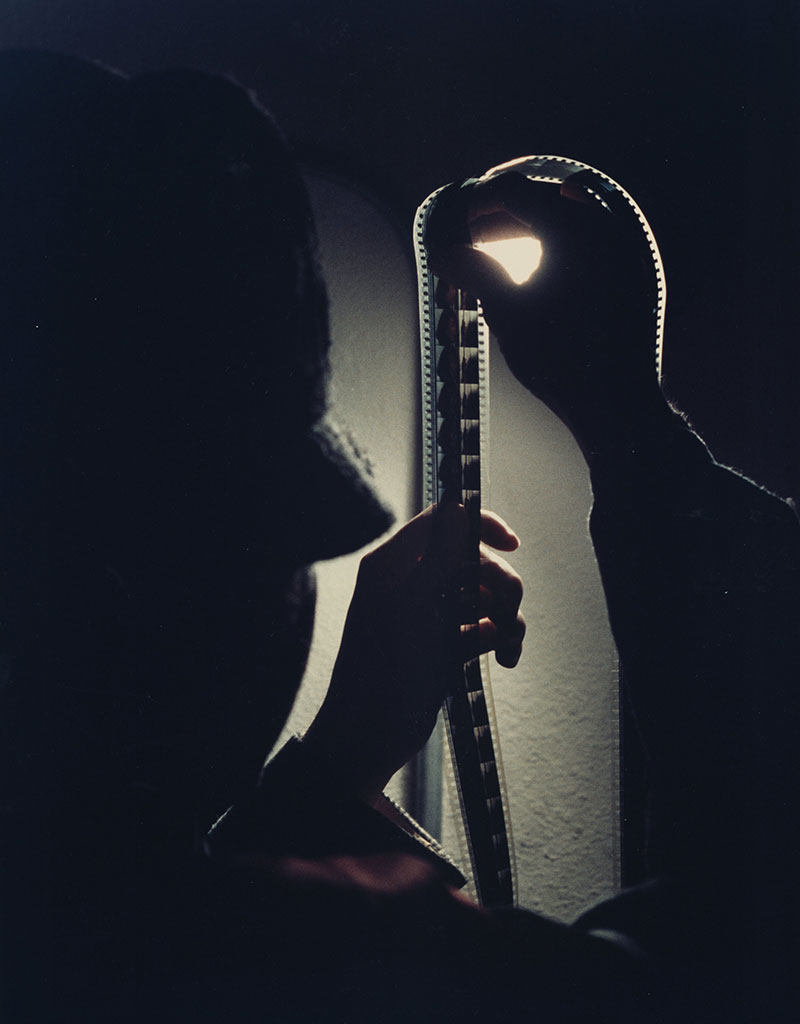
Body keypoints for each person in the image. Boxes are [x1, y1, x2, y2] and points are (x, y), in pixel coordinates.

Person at [1, 48, 797, 1023]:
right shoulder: (355, 960)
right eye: (277, 536)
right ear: (181, 582)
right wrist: (626, 425)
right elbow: (733, 952)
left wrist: (337, 757)